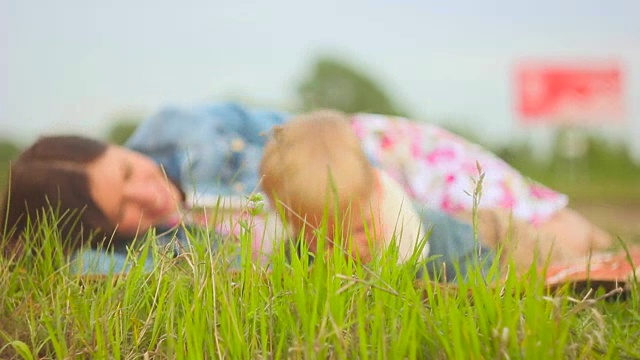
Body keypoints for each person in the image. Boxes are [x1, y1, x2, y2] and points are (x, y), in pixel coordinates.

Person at [0, 102, 613, 277]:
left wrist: (355, 181)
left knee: (554, 226)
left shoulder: (177, 133)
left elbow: (296, 137)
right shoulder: (145, 254)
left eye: (130, 170)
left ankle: (603, 250)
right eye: (124, 210)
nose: (150, 195)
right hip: (352, 227)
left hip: (363, 162)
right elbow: (77, 263)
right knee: (529, 252)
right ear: (101, 232)